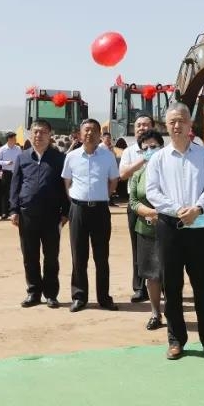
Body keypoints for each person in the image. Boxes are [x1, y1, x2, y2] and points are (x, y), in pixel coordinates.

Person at [146, 103, 204, 360]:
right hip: (170, 227)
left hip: (199, 227)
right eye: (172, 122)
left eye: (181, 121)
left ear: (190, 124)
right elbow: (152, 192)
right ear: (166, 126)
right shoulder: (158, 158)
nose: (177, 126)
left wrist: (198, 208)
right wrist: (178, 209)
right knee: (172, 286)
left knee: (203, 286)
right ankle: (176, 339)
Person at [11, 119, 70, 309]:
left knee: (51, 256)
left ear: (50, 135)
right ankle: (33, 292)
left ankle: (51, 294)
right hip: (27, 214)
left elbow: (65, 187)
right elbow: (15, 185)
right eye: (35, 131)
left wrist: (66, 212)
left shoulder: (59, 158)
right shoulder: (22, 157)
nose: (39, 135)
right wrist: (14, 210)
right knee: (30, 256)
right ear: (30, 134)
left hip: (52, 215)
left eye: (43, 132)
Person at [62, 118, 120, 312]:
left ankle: (104, 298)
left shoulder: (108, 156)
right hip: (78, 209)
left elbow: (113, 181)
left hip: (100, 210)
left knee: (101, 256)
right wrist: (75, 200)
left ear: (99, 134)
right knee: (78, 255)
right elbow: (67, 182)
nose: (89, 134)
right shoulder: (72, 157)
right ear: (80, 134)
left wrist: (103, 196)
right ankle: (79, 297)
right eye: (86, 130)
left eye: (93, 130)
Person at [127, 129, 167, 330]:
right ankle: (155, 313)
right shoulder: (138, 174)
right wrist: (150, 213)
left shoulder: (170, 171)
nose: (150, 151)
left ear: (162, 147)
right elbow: (133, 201)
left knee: (170, 273)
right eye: (145, 149)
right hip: (145, 230)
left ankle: (173, 311)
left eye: (154, 147)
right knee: (151, 275)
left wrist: (162, 214)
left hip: (169, 229)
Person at [118, 115, 156, 304]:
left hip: (158, 205)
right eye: (138, 125)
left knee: (162, 246)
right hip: (136, 204)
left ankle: (162, 284)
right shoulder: (129, 151)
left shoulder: (161, 149)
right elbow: (123, 174)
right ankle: (140, 288)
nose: (142, 128)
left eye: (146, 125)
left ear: (153, 127)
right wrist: (143, 159)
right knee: (138, 247)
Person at [0, 132, 22, 219]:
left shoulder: (18, 148)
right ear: (9, 139)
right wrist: (6, 163)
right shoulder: (2, 149)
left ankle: (16, 212)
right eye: (14, 138)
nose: (15, 140)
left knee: (17, 192)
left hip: (16, 172)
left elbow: (22, 158)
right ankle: (4, 212)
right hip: (6, 173)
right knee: (5, 193)